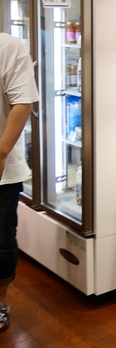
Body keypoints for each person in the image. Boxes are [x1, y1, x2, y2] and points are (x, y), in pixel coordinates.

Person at [0, 33, 39, 333]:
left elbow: (23, 102)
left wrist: (1, 154)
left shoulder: (7, 46)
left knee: (1, 241)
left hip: (3, 173)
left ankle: (0, 302)